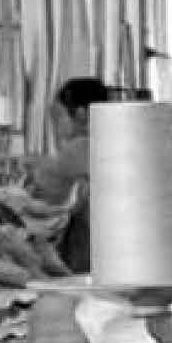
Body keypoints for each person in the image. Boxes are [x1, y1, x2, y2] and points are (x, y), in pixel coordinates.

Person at [35, 76, 110, 273]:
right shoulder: (116, 142)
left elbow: (41, 191)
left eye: (58, 116)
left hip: (91, 260)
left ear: (81, 114)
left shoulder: (80, 148)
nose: (55, 125)